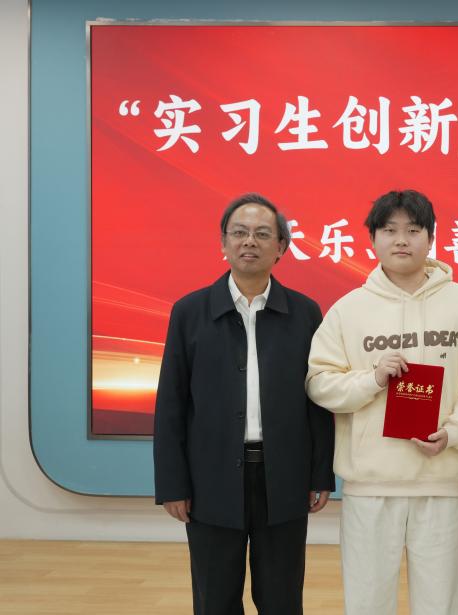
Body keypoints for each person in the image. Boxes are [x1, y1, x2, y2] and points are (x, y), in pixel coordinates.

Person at [306, 189, 458, 615]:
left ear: (430, 238)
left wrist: (454, 432)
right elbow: (319, 384)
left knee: (441, 602)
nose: (401, 240)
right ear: (373, 239)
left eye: (413, 230)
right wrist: (372, 379)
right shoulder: (348, 310)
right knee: (367, 601)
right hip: (370, 484)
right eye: (389, 230)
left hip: (441, 479)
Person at [154, 193, 335, 615]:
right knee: (214, 599)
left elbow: (318, 401)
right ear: (224, 242)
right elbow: (171, 405)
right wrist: (173, 484)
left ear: (281, 247)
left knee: (282, 598)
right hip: (211, 480)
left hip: (283, 478)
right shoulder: (190, 312)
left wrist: (320, 473)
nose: (249, 241)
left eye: (262, 234)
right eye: (239, 232)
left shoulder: (305, 313)